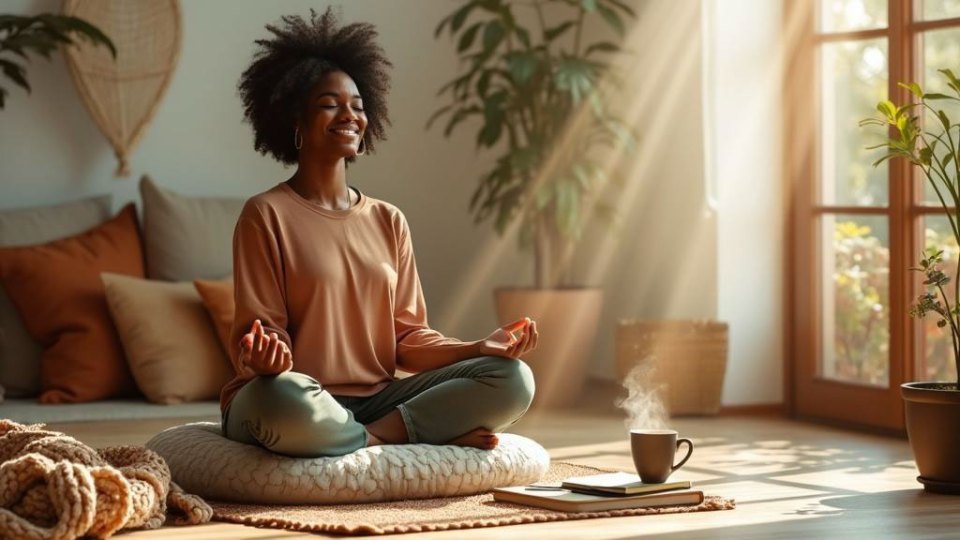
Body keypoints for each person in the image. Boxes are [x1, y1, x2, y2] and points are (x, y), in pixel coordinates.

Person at [219, 8, 539, 458]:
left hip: (377, 402)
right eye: (330, 104)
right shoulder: (266, 214)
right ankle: (412, 435)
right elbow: (259, 337)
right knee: (280, 398)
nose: (349, 115)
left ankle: (369, 437)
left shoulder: (388, 220)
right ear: (295, 119)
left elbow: (408, 339)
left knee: (511, 378)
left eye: (358, 105)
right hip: (294, 397)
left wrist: (477, 346)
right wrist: (266, 358)